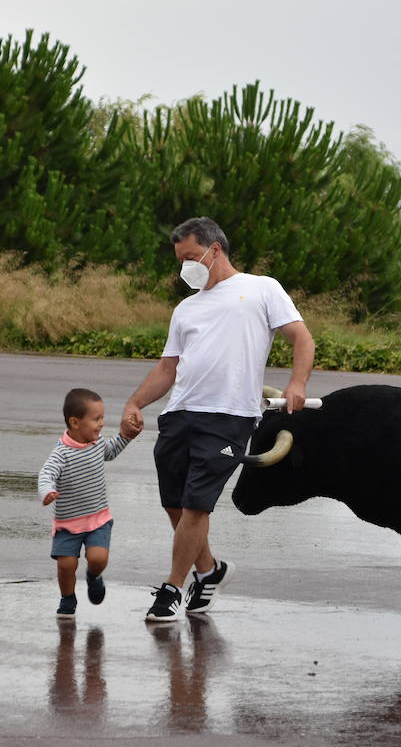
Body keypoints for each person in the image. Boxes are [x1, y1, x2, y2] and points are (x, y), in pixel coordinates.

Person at [122, 217, 315, 622]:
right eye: (180, 260)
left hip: (230, 416)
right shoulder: (186, 308)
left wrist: (297, 382)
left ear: (215, 249)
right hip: (179, 415)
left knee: (197, 506)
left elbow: (302, 338)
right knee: (175, 504)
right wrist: (135, 403)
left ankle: (172, 590)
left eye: (191, 257)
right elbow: (167, 368)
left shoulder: (261, 288)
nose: (185, 267)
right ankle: (209, 571)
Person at [38, 388, 138, 618]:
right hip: (67, 524)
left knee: (98, 559)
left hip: (97, 519)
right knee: (66, 565)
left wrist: (125, 436)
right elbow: (46, 474)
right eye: (96, 419)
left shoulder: (96, 443)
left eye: (102, 418)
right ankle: (67, 598)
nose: (102, 424)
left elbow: (111, 452)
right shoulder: (61, 453)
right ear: (75, 422)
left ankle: (94, 576)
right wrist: (47, 491)